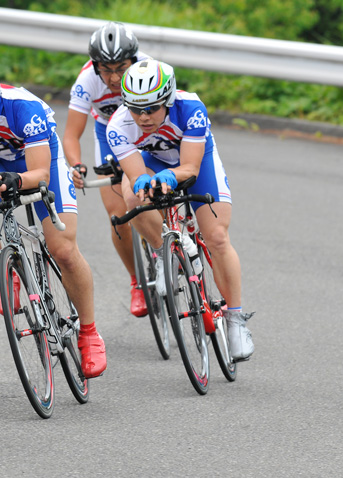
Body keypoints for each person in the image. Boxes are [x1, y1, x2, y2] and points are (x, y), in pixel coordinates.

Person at [0, 53, 106, 378]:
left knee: (64, 251)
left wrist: (19, 181)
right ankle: (7, 272)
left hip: (41, 162)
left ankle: (89, 332)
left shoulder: (24, 107)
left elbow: (39, 173)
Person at [106, 58, 254, 361]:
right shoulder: (117, 127)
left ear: (168, 100)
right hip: (153, 162)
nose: (143, 117)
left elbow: (191, 167)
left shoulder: (191, 108)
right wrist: (144, 182)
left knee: (216, 237)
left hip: (193, 161)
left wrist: (173, 176)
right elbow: (136, 176)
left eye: (151, 108)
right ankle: (164, 252)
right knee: (131, 197)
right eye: (136, 109)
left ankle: (236, 319)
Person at [63, 22, 151, 318]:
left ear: (134, 60)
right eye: (106, 69)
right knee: (118, 218)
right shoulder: (87, 79)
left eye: (121, 68)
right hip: (109, 136)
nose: (113, 77)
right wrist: (76, 165)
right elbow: (71, 135)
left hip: (148, 134)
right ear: (95, 65)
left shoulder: (148, 70)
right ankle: (138, 281)